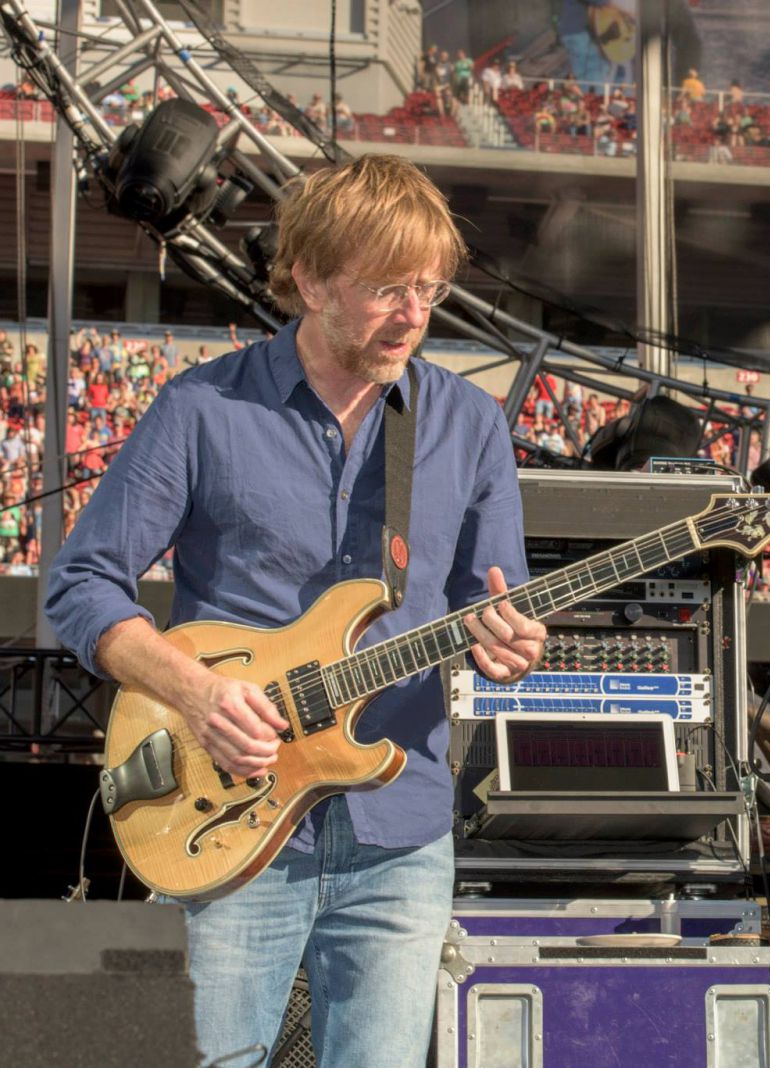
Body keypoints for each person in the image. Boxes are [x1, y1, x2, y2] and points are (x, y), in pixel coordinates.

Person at [45, 155, 547, 1067]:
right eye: (387, 288)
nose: (414, 315)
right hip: (229, 822)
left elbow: (488, 601)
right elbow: (81, 584)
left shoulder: (469, 423)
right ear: (310, 280)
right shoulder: (201, 409)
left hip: (401, 829)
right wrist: (197, 694)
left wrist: (507, 643)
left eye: (430, 289)